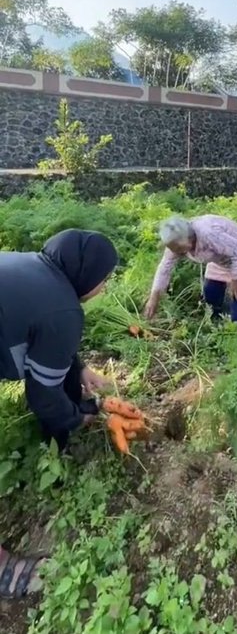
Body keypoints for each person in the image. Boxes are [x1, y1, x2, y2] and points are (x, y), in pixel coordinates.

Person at [0, 228, 118, 599]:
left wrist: (78, 367)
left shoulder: (36, 267)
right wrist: (74, 418)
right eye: (104, 279)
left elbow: (44, 332)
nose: (104, 287)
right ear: (84, 275)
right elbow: (42, 393)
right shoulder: (64, 308)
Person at [144, 215, 237, 325]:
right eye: (173, 248)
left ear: (189, 238)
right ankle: (216, 322)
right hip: (219, 258)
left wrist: (236, 279)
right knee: (211, 291)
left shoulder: (209, 234)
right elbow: (164, 269)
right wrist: (154, 297)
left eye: (178, 248)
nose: (176, 252)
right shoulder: (175, 245)